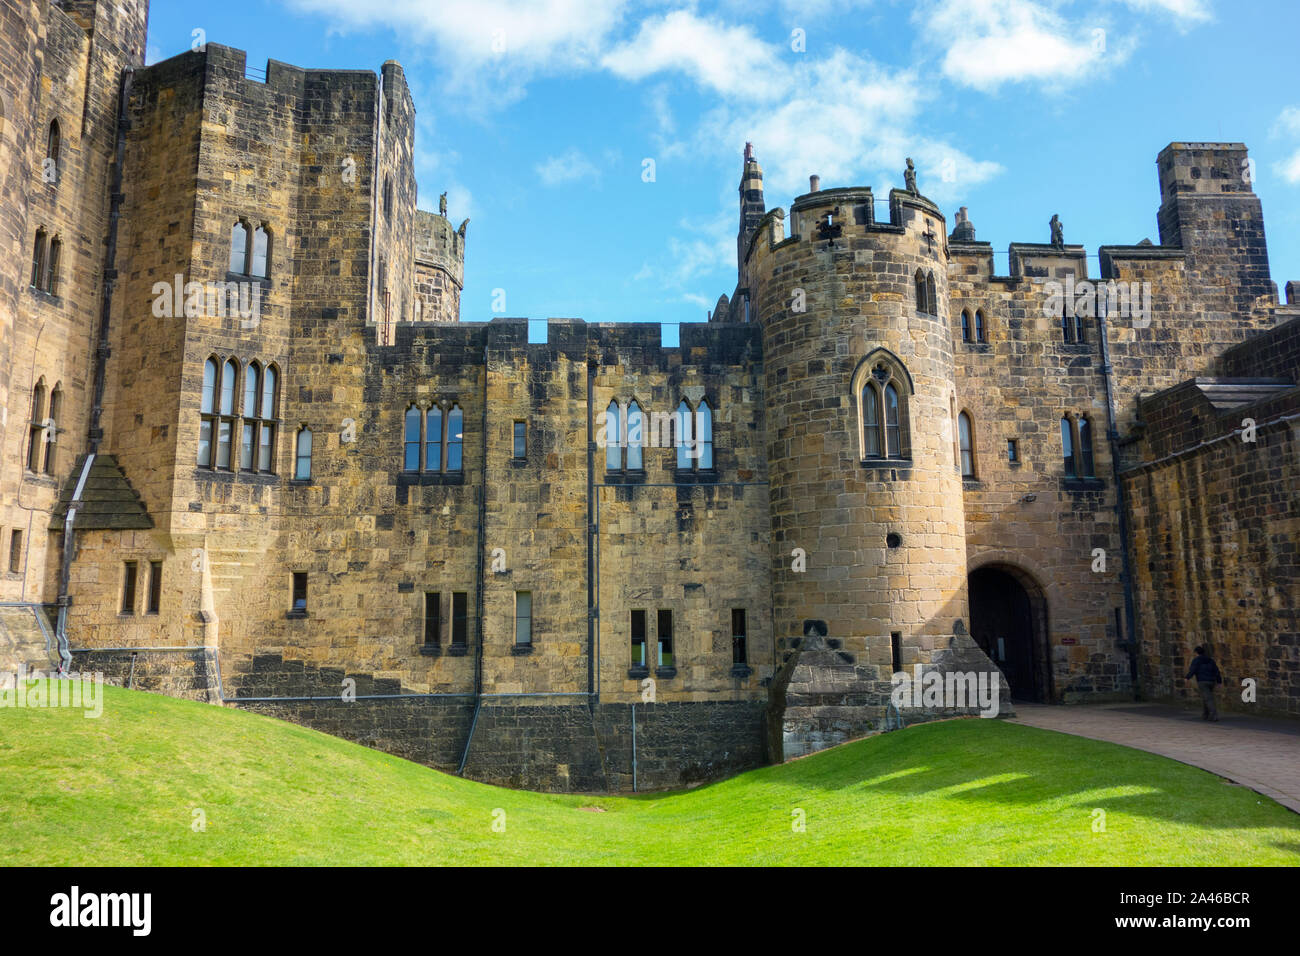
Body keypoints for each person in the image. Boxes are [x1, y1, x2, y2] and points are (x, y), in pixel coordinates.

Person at [1185, 645, 1222, 721]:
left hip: (1202, 681)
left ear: (1196, 653)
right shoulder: (1210, 660)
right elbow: (1216, 671)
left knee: (1208, 698)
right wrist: (1219, 681)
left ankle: (1213, 715)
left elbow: (1193, 669)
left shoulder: (1196, 660)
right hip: (1212, 681)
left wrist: (1187, 677)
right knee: (1206, 697)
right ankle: (1205, 714)